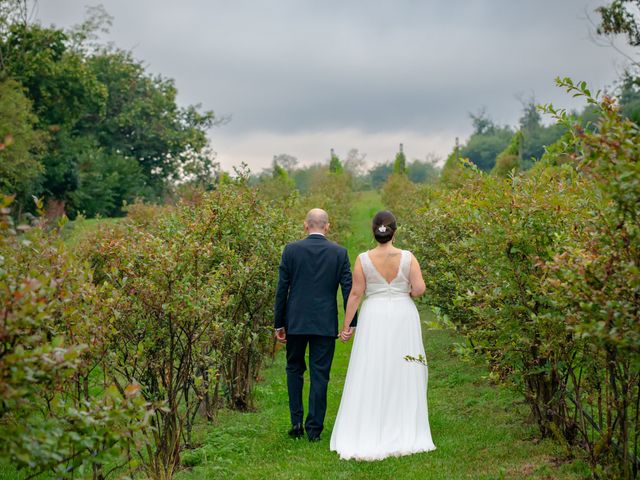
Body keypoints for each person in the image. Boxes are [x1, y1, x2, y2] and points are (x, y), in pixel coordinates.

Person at [330, 210, 436, 460]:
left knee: (372, 366)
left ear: (373, 232)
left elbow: (356, 294)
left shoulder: (363, 259)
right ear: (394, 231)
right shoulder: (408, 258)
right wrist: (406, 292)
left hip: (374, 315)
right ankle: (404, 423)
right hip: (403, 314)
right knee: (405, 367)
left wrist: (347, 327)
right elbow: (419, 288)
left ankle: (370, 422)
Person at [274, 208, 356, 442]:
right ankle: (314, 429)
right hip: (324, 322)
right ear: (327, 226)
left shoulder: (291, 251)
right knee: (321, 375)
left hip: (296, 322)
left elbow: (282, 290)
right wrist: (350, 323)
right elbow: (348, 290)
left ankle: (296, 422)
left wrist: (279, 323)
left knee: (294, 370)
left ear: (305, 225)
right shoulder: (339, 253)